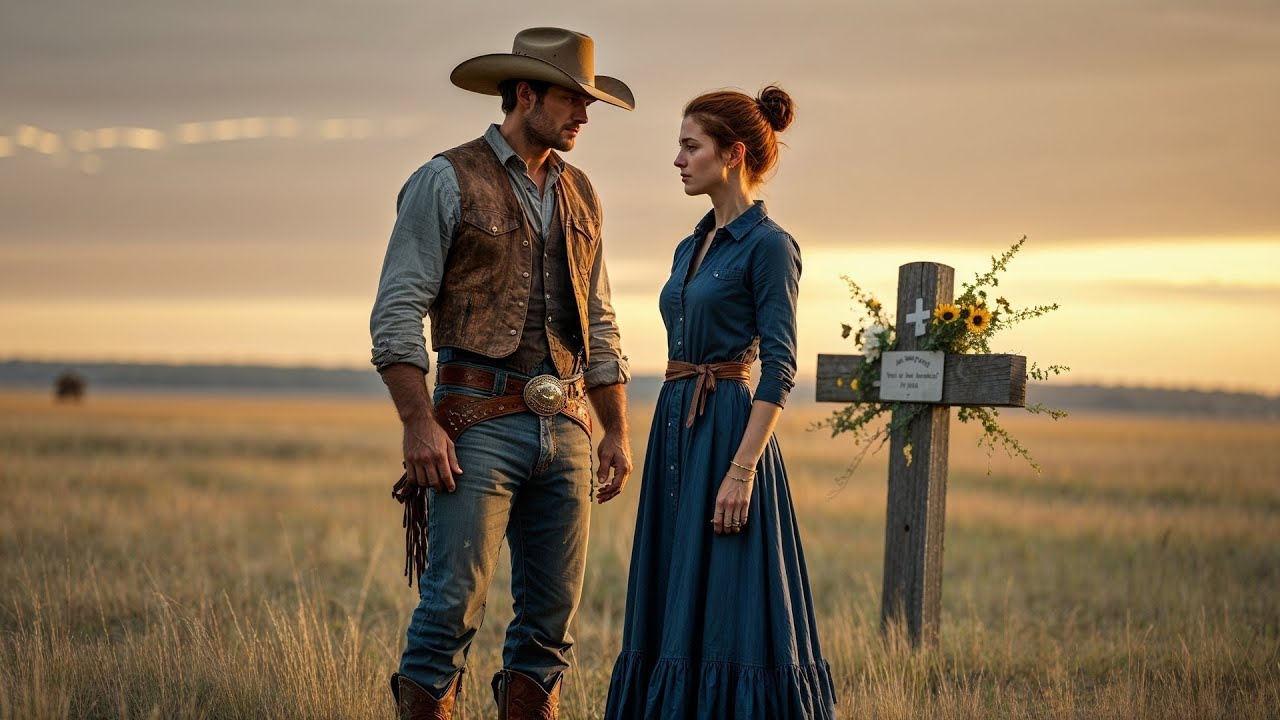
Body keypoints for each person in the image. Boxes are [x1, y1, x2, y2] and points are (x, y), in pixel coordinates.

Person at [369, 27, 635, 720]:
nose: (584, 115)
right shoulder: (443, 178)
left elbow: (600, 322)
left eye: (589, 103)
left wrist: (615, 432)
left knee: (552, 621)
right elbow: (397, 313)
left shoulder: (582, 194)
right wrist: (418, 425)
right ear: (525, 94)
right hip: (473, 425)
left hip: (570, 424)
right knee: (451, 605)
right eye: (573, 100)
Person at [604, 86, 837, 719]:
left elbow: (781, 368)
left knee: (731, 599)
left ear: (732, 154)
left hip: (729, 432)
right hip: (675, 426)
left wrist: (743, 468)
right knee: (671, 587)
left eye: (690, 146)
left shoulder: (770, 246)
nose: (677, 160)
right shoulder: (691, 245)